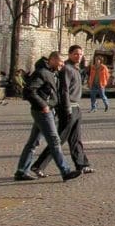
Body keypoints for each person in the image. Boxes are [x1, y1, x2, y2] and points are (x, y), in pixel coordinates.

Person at [14, 51, 81, 182]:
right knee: (55, 141)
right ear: (52, 60)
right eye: (60, 61)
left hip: (47, 110)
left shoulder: (52, 73)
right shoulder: (42, 73)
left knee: (33, 142)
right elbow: (29, 91)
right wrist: (44, 105)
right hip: (43, 112)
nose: (62, 64)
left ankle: (21, 171)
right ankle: (65, 171)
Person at [31, 45, 93, 176]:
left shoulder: (76, 69)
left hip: (76, 107)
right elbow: (64, 90)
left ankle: (82, 164)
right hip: (69, 107)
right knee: (60, 139)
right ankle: (38, 165)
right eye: (76, 54)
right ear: (69, 54)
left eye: (80, 54)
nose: (78, 56)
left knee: (76, 139)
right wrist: (67, 109)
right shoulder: (66, 69)